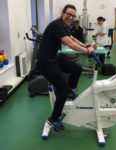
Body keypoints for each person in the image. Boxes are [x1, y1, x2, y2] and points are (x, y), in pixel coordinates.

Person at [36, 4, 95, 137]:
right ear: (62, 13)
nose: (71, 17)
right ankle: (53, 119)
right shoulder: (56, 25)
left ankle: (70, 92)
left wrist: (83, 44)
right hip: (45, 62)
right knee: (62, 90)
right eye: (68, 14)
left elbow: (72, 38)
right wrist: (87, 51)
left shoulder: (63, 26)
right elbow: (68, 42)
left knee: (77, 68)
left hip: (53, 58)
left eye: (73, 16)